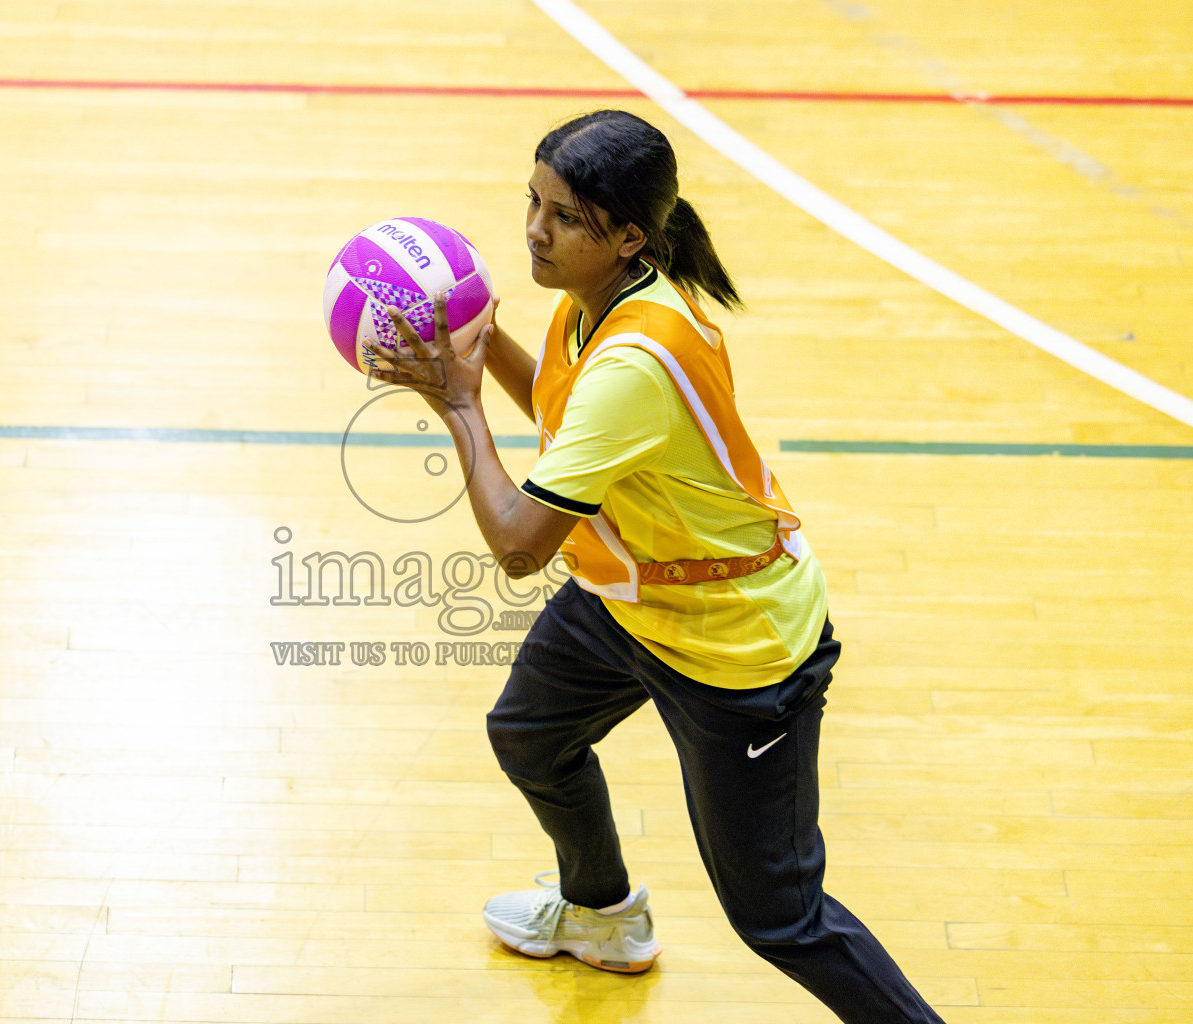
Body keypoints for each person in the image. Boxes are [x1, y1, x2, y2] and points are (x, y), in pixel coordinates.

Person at [364, 109, 944, 1024]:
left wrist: (460, 407)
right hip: (634, 596)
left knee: (782, 920)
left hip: (737, 648)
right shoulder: (592, 302)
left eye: (563, 216)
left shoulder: (639, 359)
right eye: (532, 201)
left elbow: (519, 546)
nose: (534, 231)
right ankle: (603, 917)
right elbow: (561, 407)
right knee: (531, 734)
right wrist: (471, 345)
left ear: (629, 236)